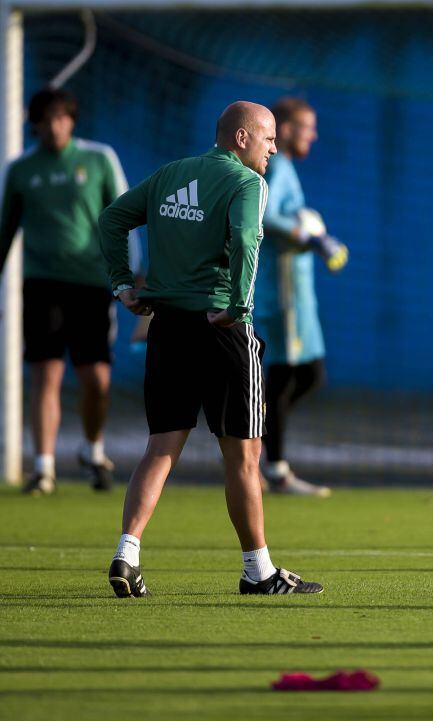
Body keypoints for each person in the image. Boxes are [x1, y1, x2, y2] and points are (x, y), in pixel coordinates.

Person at [97, 101, 322, 597]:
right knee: (243, 455)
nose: (273, 149)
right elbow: (246, 240)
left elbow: (113, 219)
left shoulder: (170, 174)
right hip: (221, 327)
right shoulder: (247, 184)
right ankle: (257, 570)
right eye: (267, 140)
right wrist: (239, 306)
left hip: (168, 328)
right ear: (242, 139)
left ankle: (126, 553)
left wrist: (122, 284)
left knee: (160, 448)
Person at [0, 88, 141, 494]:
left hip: (92, 285)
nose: (53, 126)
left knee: (96, 378)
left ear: (72, 120)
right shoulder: (21, 170)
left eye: (61, 117)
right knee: (46, 373)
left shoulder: (99, 159)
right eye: (45, 119)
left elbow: (125, 216)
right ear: (34, 124)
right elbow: (4, 231)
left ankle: (92, 450)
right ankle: (43, 468)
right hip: (42, 285)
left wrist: (133, 275)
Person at [254, 97, 347, 497]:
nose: (314, 134)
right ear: (286, 129)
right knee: (285, 376)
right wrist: (309, 234)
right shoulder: (276, 166)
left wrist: (315, 236)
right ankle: (273, 467)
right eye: (307, 126)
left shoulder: (287, 168)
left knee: (306, 375)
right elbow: (264, 216)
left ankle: (260, 446)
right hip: (283, 289)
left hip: (299, 289)